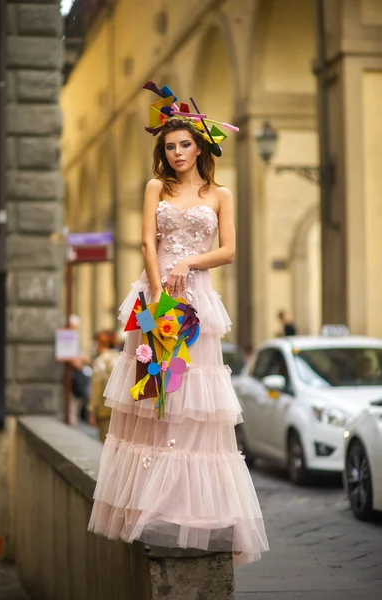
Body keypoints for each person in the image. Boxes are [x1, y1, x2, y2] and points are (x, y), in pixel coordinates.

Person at [88, 82, 269, 566]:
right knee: (155, 397)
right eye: (169, 147)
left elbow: (229, 250)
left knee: (196, 403)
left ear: (200, 145)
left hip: (199, 305)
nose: (177, 153)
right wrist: (158, 293)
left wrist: (190, 266)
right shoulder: (156, 188)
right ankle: (151, 501)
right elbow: (147, 243)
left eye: (184, 144)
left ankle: (193, 508)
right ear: (162, 153)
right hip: (156, 299)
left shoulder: (221, 194)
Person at [88, 330, 120, 442]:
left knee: (105, 442)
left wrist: (92, 410)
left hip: (104, 408)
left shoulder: (100, 360)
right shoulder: (120, 358)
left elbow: (96, 386)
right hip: (120, 408)